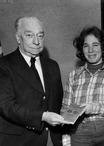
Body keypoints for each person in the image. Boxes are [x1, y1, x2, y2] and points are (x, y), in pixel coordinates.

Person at [0, 16, 66, 146]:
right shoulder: (3, 65)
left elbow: (57, 102)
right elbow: (6, 106)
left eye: (40, 36)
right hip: (18, 141)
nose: (36, 41)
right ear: (18, 38)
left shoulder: (53, 65)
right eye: (29, 35)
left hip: (52, 139)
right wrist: (43, 116)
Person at [62, 26, 104, 146]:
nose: (90, 50)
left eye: (95, 45)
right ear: (82, 49)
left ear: (103, 48)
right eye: (86, 46)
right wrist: (66, 138)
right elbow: (65, 110)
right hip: (79, 132)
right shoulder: (73, 76)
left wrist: (94, 107)